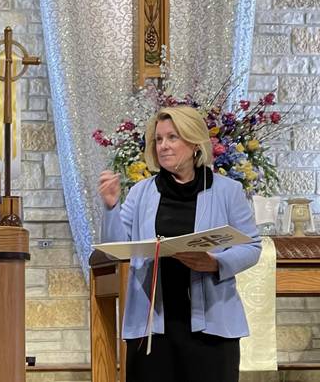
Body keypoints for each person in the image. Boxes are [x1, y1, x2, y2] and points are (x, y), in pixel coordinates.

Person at [98, 106, 261, 382]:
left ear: (194, 142)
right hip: (152, 328)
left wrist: (215, 263)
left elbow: (252, 246)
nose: (163, 146)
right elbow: (116, 247)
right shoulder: (140, 193)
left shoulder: (227, 191)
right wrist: (112, 206)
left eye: (172, 137)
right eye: (159, 140)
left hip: (211, 328)